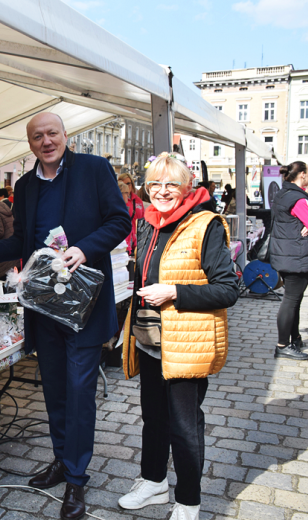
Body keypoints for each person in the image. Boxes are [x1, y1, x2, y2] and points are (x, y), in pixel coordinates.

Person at [0, 112, 130, 519]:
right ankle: (62, 459)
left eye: (52, 133)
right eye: (37, 136)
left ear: (65, 136)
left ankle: (77, 479)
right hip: (44, 304)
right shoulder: (24, 186)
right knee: (55, 388)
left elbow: (119, 220)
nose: (46, 141)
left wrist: (85, 248)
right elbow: (22, 238)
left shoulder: (94, 169)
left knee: (79, 391)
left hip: (85, 301)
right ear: (30, 143)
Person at [117, 153, 238, 520]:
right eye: (155, 183)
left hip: (186, 343)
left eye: (171, 184)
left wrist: (174, 292)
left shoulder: (206, 224)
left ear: (187, 187)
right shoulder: (147, 224)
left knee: (185, 427)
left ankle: (188, 502)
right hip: (152, 339)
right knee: (153, 418)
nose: (162, 191)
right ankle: (153, 482)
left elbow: (228, 289)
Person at [270, 162, 308, 361]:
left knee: (294, 300)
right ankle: (283, 345)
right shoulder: (299, 199)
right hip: (297, 256)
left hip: (285, 254)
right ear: (302, 175)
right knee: (291, 301)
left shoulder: (281, 194)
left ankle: (295, 338)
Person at [118, 172, 145, 255]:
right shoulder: (117, 201)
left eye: (128, 183)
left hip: (136, 242)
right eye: (123, 183)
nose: (126, 186)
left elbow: (142, 219)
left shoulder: (137, 200)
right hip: (122, 242)